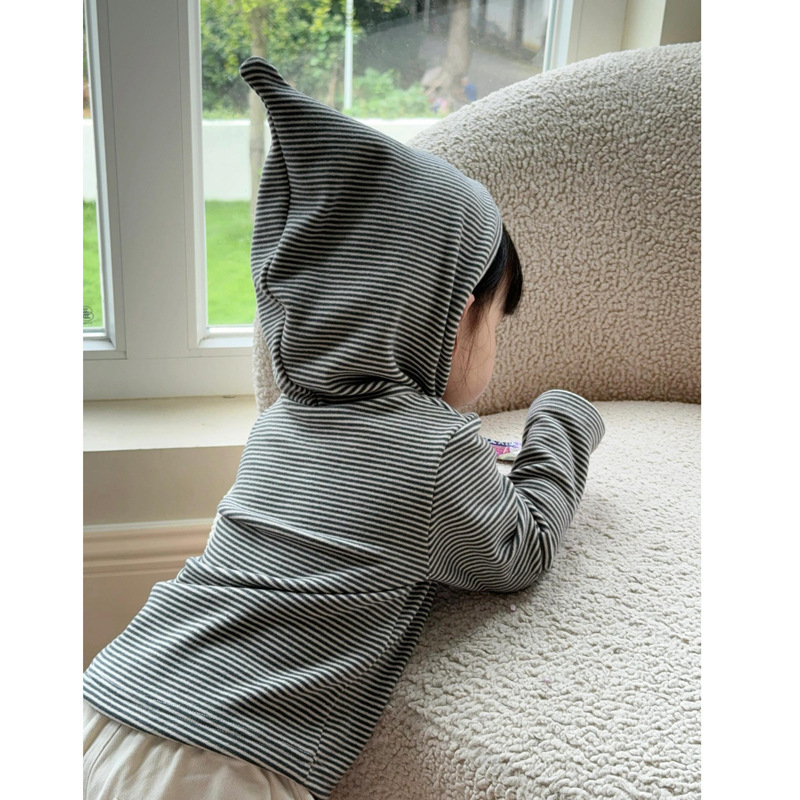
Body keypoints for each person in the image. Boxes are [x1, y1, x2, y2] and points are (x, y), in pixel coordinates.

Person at [83, 56, 606, 800]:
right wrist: (562, 422)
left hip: (111, 696)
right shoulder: (437, 449)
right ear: (450, 313)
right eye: (497, 321)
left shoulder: (279, 425)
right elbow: (520, 550)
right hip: (224, 759)